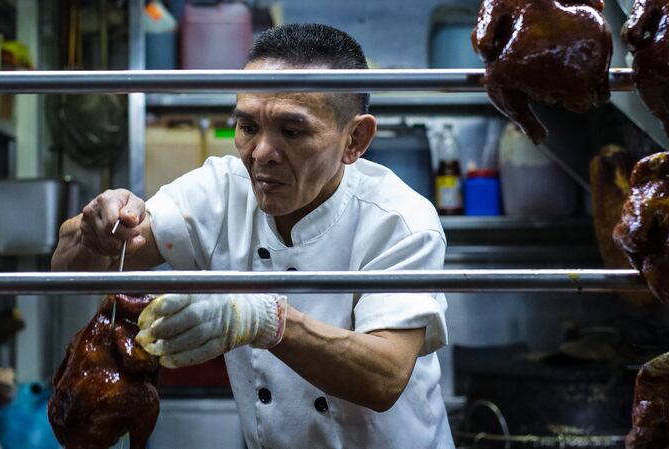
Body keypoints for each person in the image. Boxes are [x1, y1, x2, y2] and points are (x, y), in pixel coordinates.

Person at [52, 23, 454, 449]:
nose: (261, 153)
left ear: (355, 139)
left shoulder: (399, 219)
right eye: (247, 128)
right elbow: (72, 267)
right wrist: (97, 230)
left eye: (292, 131)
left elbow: (385, 376)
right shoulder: (221, 190)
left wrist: (263, 319)